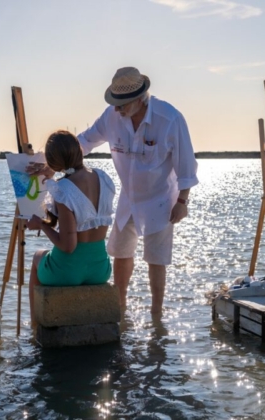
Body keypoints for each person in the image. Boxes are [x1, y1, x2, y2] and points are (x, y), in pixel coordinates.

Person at [75, 66, 199, 315]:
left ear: (141, 99)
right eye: (115, 103)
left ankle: (156, 313)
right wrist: (51, 159)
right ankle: (120, 307)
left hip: (161, 197)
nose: (117, 109)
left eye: (123, 104)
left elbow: (186, 164)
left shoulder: (170, 118)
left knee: (156, 258)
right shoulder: (111, 115)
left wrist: (182, 202)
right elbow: (85, 141)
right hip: (129, 196)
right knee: (121, 251)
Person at [26, 130, 116, 326]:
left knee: (37, 257)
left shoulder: (63, 189)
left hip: (69, 270)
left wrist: (40, 224)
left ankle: (35, 326)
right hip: (100, 268)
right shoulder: (104, 178)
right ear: (79, 151)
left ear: (55, 161)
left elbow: (68, 246)